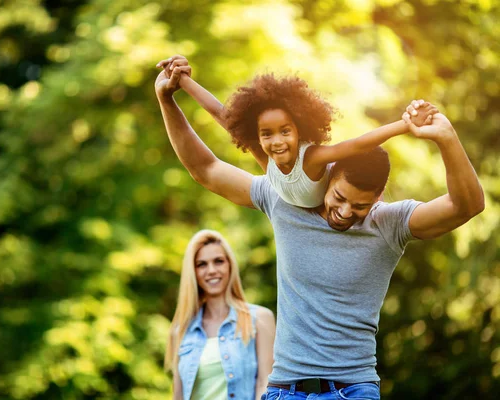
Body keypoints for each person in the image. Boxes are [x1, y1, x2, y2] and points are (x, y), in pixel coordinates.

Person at [155, 62, 484, 400]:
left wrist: (446, 138)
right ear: (328, 177)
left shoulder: (389, 223)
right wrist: (167, 101)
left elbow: (467, 206)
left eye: (360, 207)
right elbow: (206, 168)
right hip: (286, 389)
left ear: (378, 199)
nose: (344, 213)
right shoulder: (283, 199)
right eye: (339, 198)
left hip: (352, 389)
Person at [155, 55, 437, 208]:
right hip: (293, 197)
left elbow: (356, 144)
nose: (276, 142)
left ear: (299, 130)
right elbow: (222, 114)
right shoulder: (267, 159)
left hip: (333, 199)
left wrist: (404, 125)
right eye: (267, 134)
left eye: (285, 131)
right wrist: (180, 79)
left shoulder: (311, 159)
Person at [165, 229, 276, 400]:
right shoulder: (180, 331)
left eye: (218, 261)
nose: (211, 270)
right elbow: (178, 396)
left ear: (230, 265)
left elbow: (265, 384)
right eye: (201, 264)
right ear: (193, 272)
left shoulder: (260, 319)